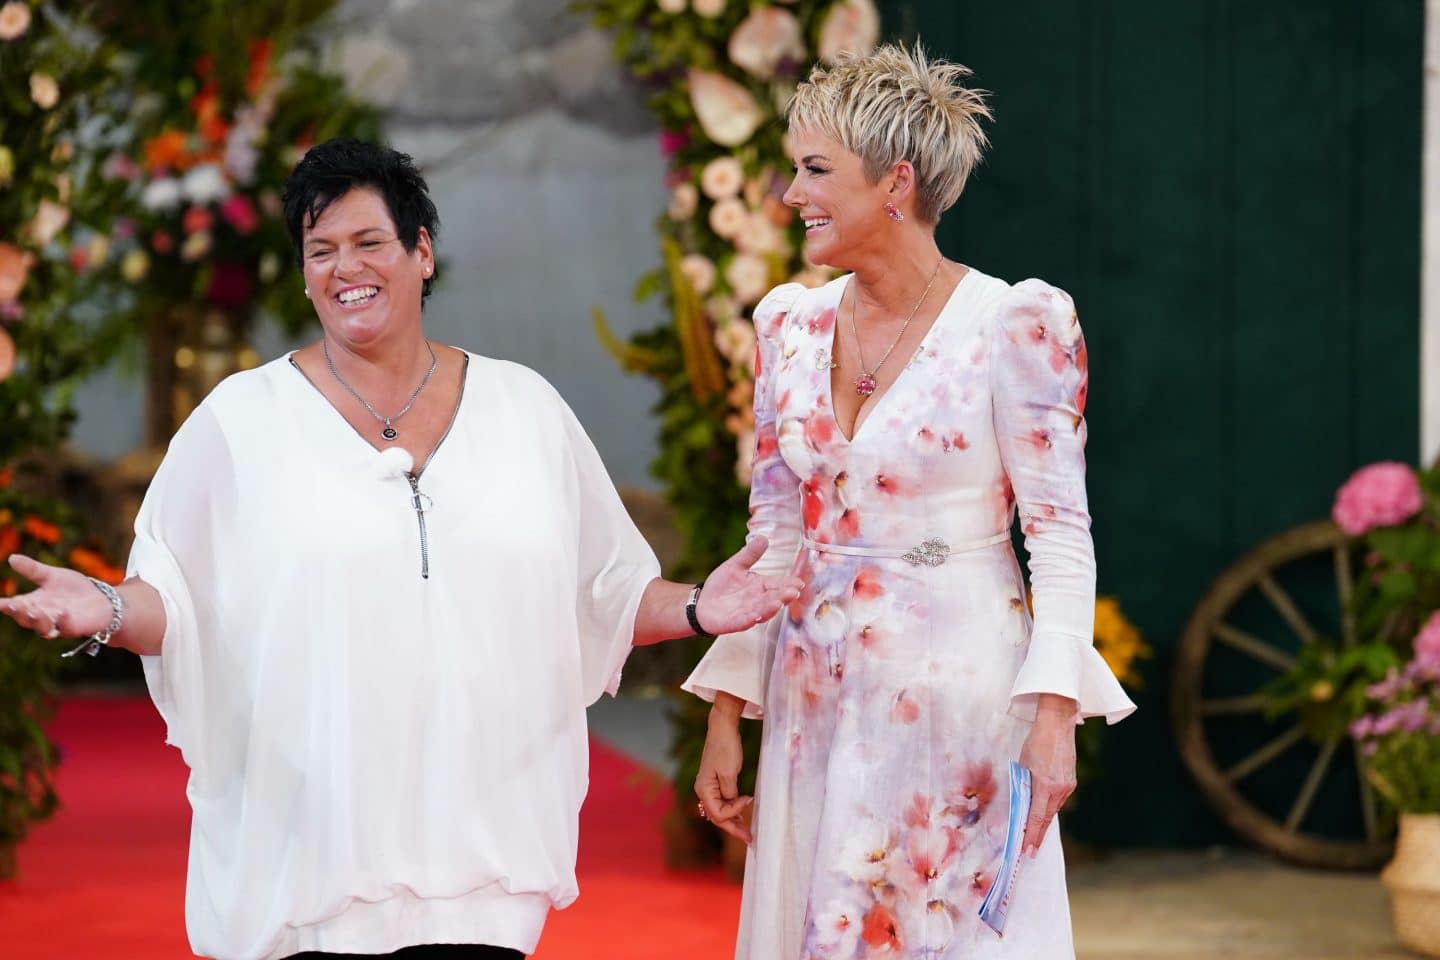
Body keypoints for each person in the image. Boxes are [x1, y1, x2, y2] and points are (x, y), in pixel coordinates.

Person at [0, 138, 803, 960]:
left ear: (422, 252)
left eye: (368, 242)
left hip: (482, 877)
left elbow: (609, 592)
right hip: (315, 871)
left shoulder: (524, 408)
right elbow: (175, 600)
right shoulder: (241, 419)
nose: (344, 268)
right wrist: (101, 604)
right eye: (320, 250)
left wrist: (701, 606)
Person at [685, 45, 1137, 958]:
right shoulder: (788, 324)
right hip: (814, 694)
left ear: (895, 182)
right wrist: (727, 710)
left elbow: (1059, 535)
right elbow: (773, 537)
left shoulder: (1015, 323)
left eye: (816, 170)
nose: (791, 194)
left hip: (962, 695)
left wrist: (1056, 716)